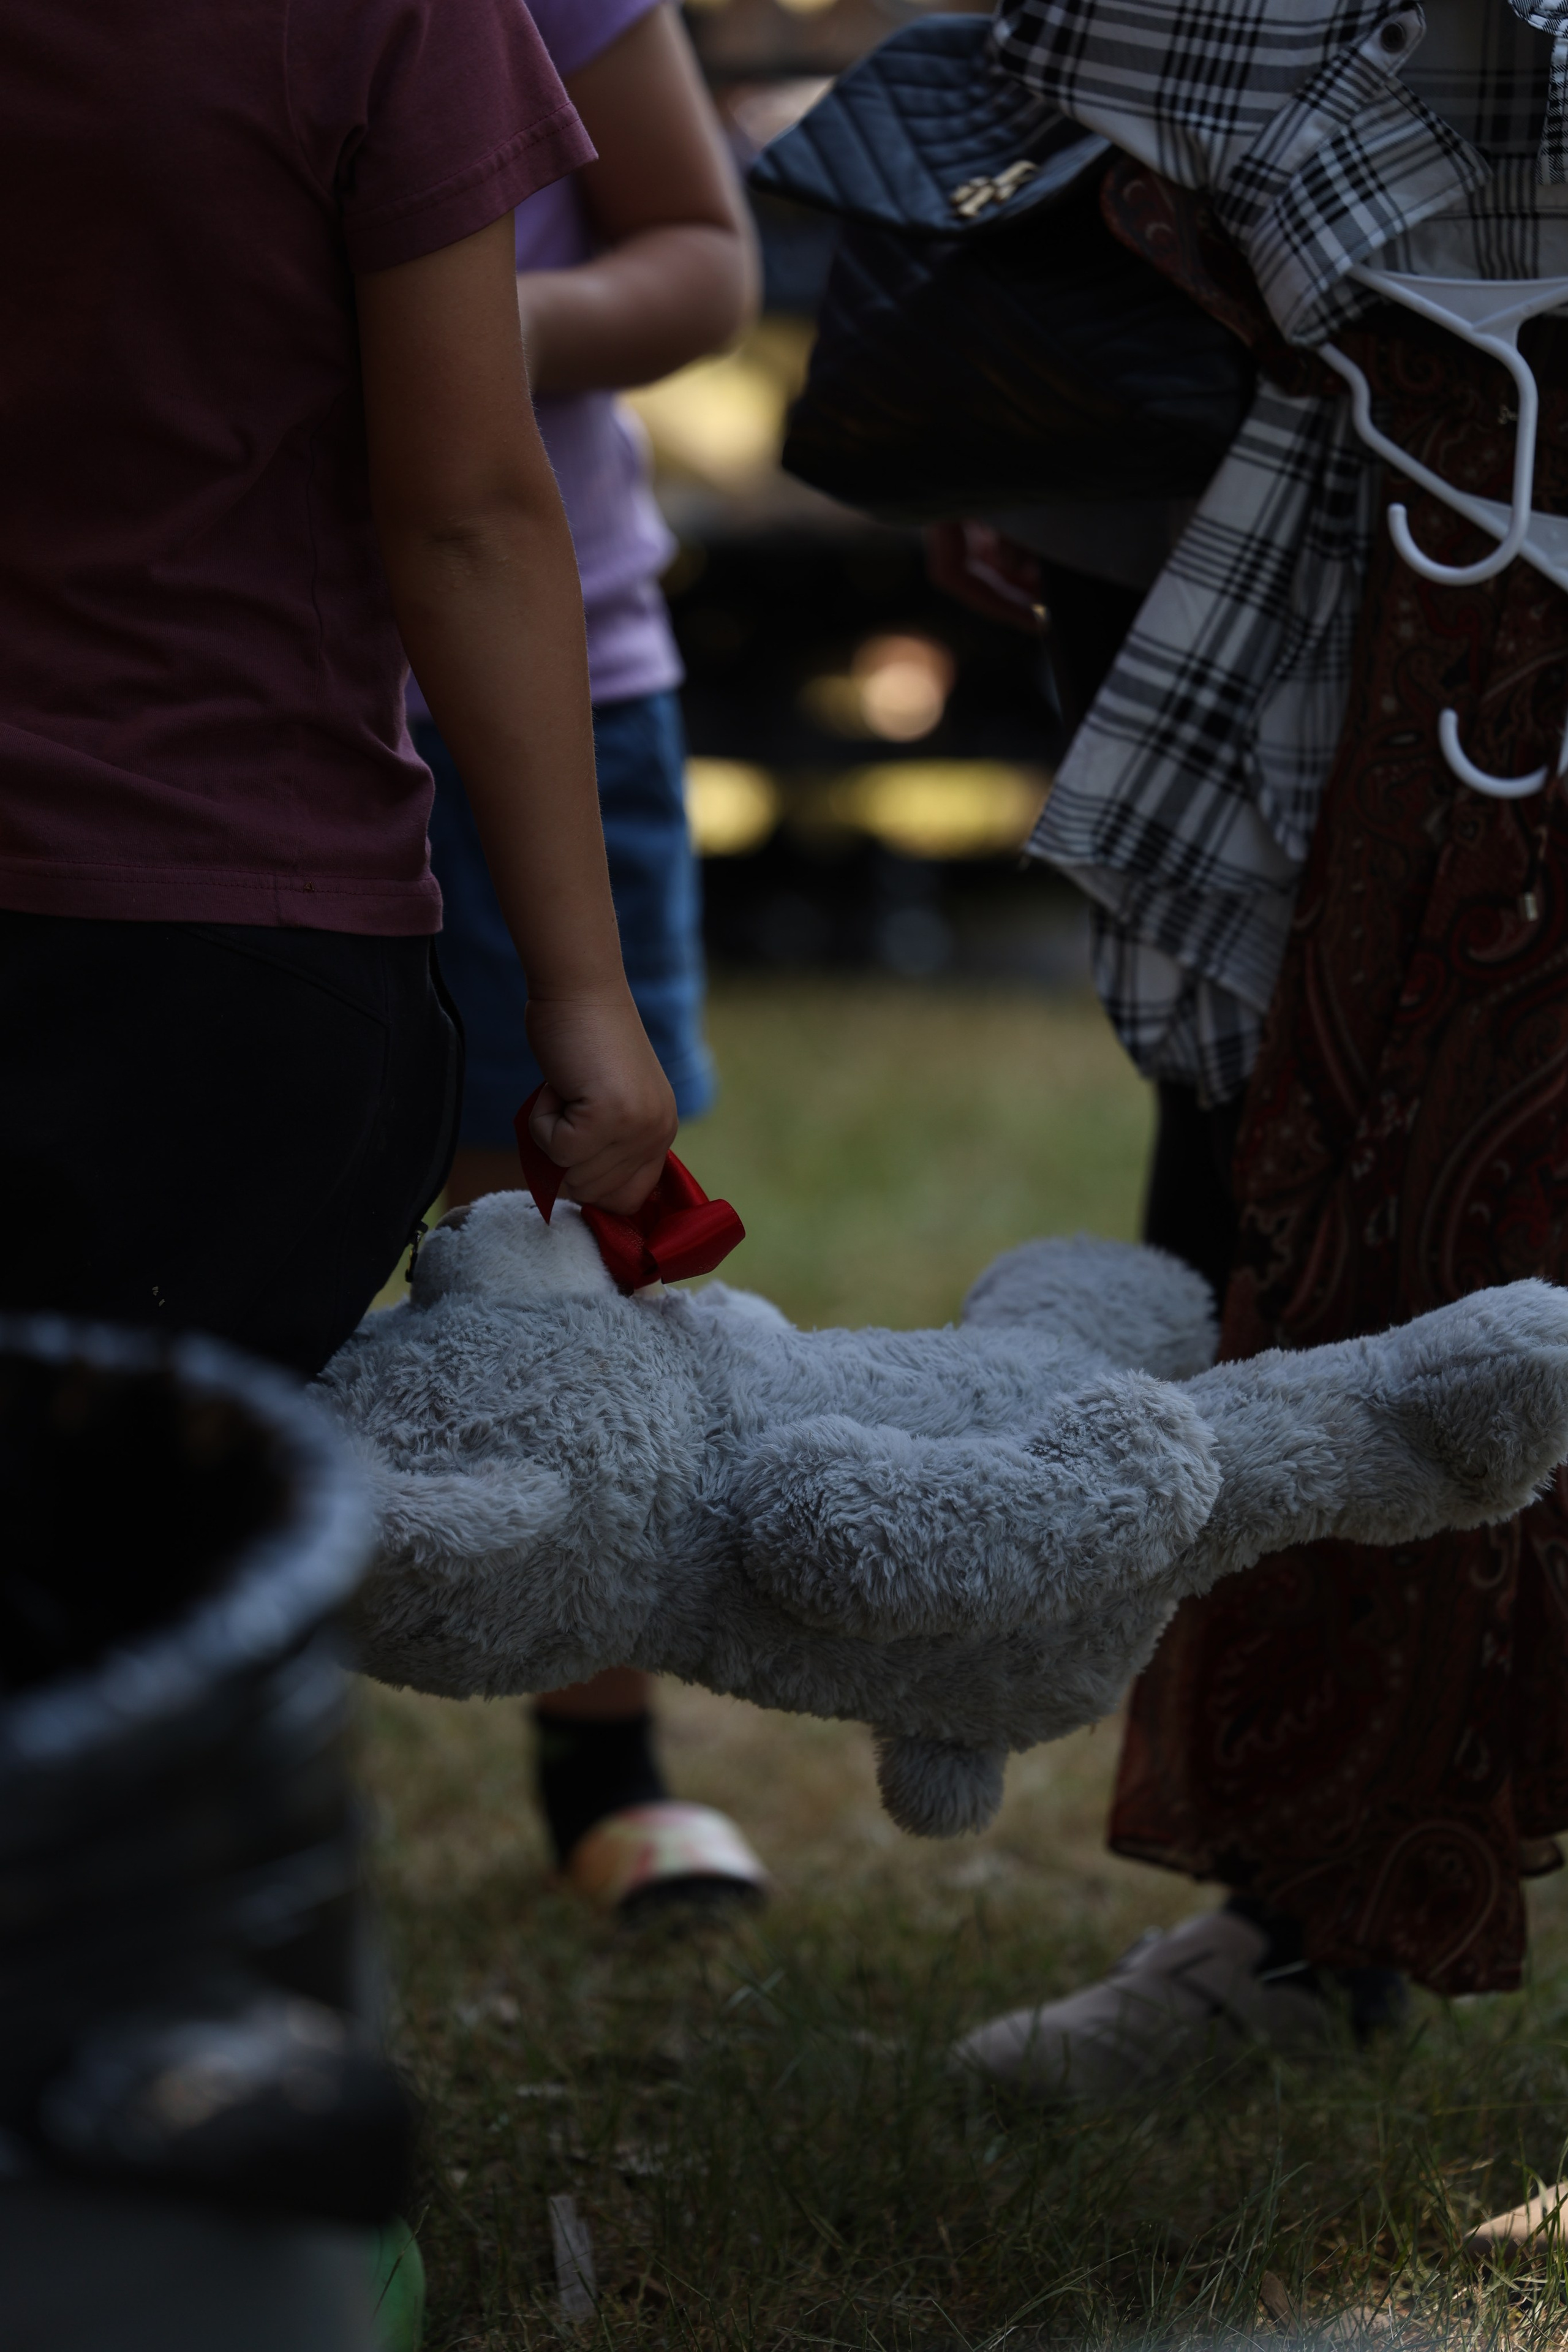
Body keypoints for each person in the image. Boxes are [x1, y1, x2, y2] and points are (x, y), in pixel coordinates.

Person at [937, 0, 1568, 2100]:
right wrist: (1075, 398)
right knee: (1274, 1219)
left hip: (1491, 459)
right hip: (1307, 520)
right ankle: (1307, 1921)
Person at [0, 0, 676, 1377]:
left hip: (187, 953)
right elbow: (467, 517)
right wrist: (583, 997)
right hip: (221, 947)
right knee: (157, 1565)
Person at [404, 0, 769, 1914]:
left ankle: (605, 1756)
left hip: (550, 679)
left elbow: (706, 263)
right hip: (188, 690)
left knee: (558, 1222)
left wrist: (455, 320)